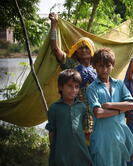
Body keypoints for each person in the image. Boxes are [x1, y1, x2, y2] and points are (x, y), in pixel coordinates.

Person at [49, 13, 97, 141]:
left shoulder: (97, 68)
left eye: (87, 47)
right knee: (76, 141)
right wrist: (53, 24)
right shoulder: (72, 65)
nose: (84, 50)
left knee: (93, 144)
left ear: (92, 50)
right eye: (80, 48)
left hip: (94, 111)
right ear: (76, 51)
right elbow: (55, 49)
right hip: (76, 109)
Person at [86, 48, 133, 166]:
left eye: (108, 66)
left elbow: (131, 105)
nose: (104, 69)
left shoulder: (119, 84)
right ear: (94, 66)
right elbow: (98, 112)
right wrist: (120, 110)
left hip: (120, 135)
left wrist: (110, 105)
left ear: (113, 65)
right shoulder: (92, 88)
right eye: (100, 66)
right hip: (102, 137)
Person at [45, 69, 93, 166]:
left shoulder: (82, 107)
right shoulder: (54, 108)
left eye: (76, 87)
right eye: (70, 86)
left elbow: (86, 128)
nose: (74, 90)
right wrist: (53, 149)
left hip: (80, 148)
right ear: (60, 87)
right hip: (62, 149)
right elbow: (52, 131)